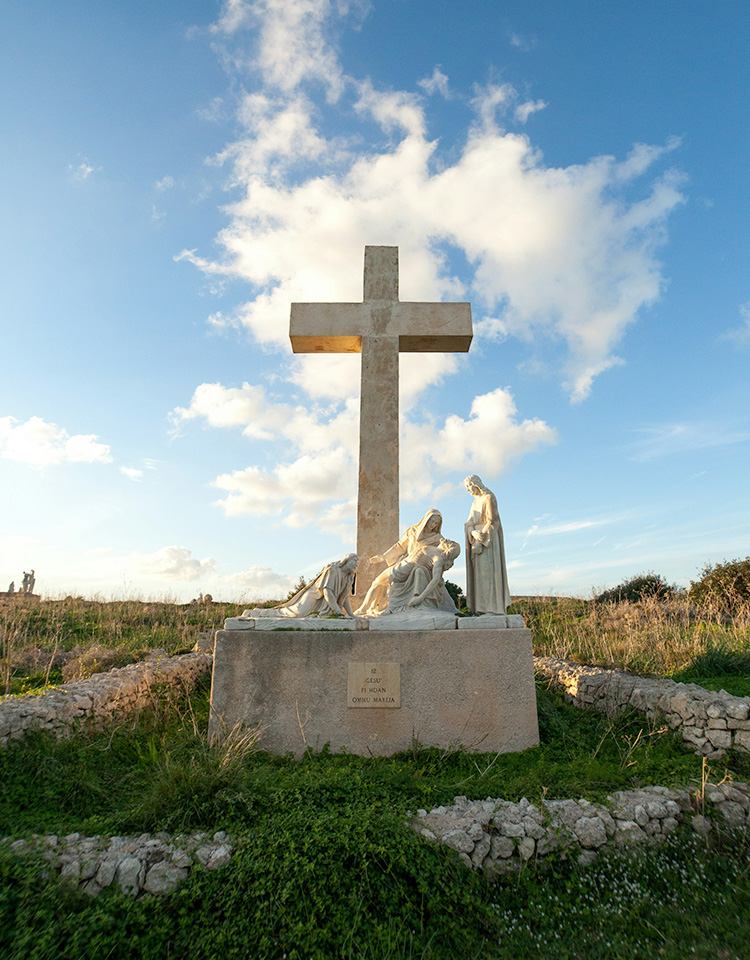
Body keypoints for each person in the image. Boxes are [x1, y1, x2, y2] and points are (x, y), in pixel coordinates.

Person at [355, 510, 458, 615]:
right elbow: (400, 546)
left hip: (421, 568)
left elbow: (445, 556)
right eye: (432, 521)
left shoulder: (438, 539)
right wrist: (384, 557)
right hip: (406, 563)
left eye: (436, 523)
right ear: (426, 519)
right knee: (378, 581)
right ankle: (364, 608)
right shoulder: (413, 531)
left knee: (390, 579)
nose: (433, 525)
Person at [246, 554, 358, 618]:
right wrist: (338, 612)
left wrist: (351, 615)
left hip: (327, 605)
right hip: (314, 596)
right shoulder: (332, 570)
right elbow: (327, 592)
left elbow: (344, 598)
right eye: (354, 561)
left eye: (357, 562)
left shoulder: (349, 577)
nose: (356, 564)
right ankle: (259, 613)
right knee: (298, 613)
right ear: (346, 561)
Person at [464, 475, 511, 615]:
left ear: (476, 484)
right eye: (466, 488)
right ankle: (481, 609)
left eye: (469, 486)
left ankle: (492, 609)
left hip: (487, 540)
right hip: (476, 539)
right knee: (479, 576)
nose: (468, 490)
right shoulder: (474, 504)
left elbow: (492, 520)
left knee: (489, 574)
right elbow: (469, 523)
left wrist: (480, 539)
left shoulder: (488, 498)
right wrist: (472, 533)